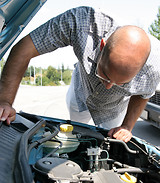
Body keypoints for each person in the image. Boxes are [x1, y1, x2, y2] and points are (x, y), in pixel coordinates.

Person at [0, 6, 160, 142]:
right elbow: (23, 49)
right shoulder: (82, 23)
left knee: (112, 142)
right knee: (75, 135)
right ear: (102, 45)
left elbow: (144, 95)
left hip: (114, 109)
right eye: (105, 74)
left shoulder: (153, 69)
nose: (109, 86)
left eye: (120, 83)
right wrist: (5, 102)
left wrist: (126, 127)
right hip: (80, 95)